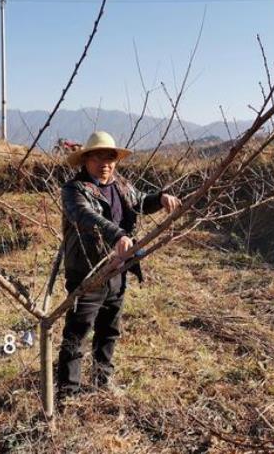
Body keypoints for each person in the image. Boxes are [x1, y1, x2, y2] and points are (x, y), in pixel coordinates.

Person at [57, 131, 181, 400]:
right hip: (89, 271)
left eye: (110, 157)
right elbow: (85, 216)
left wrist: (159, 198)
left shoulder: (120, 185)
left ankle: (103, 381)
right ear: (85, 160)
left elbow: (139, 201)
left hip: (118, 269)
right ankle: (69, 393)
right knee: (77, 333)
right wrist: (116, 235)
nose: (105, 163)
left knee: (109, 330)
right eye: (98, 156)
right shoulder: (74, 190)